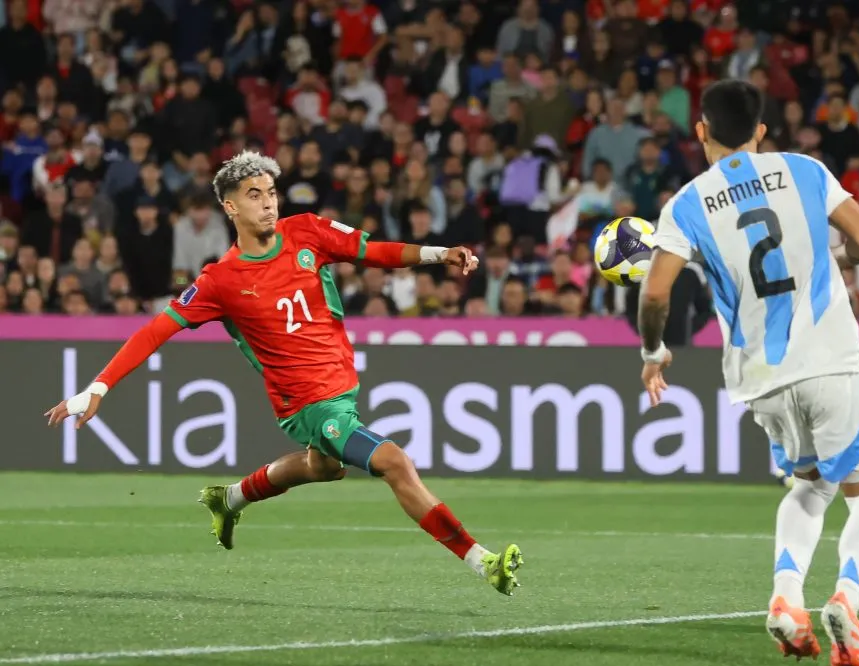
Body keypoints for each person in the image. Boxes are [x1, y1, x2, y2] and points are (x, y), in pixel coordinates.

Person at [44, 151, 523, 597]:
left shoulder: (307, 231)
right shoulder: (220, 280)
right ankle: (483, 562)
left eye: (272, 192)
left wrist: (440, 254)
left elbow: (373, 251)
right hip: (308, 404)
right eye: (255, 195)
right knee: (394, 462)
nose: (269, 203)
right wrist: (98, 386)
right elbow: (155, 331)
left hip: (340, 387)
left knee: (324, 467)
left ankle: (228, 498)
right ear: (230, 207)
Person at [638, 81, 859, 666]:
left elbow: (654, 293)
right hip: (832, 360)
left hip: (762, 380)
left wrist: (654, 350)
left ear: (700, 131)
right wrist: (837, 262)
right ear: (761, 132)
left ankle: (787, 596)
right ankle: (846, 601)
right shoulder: (804, 170)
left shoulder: (686, 204)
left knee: (808, 486)